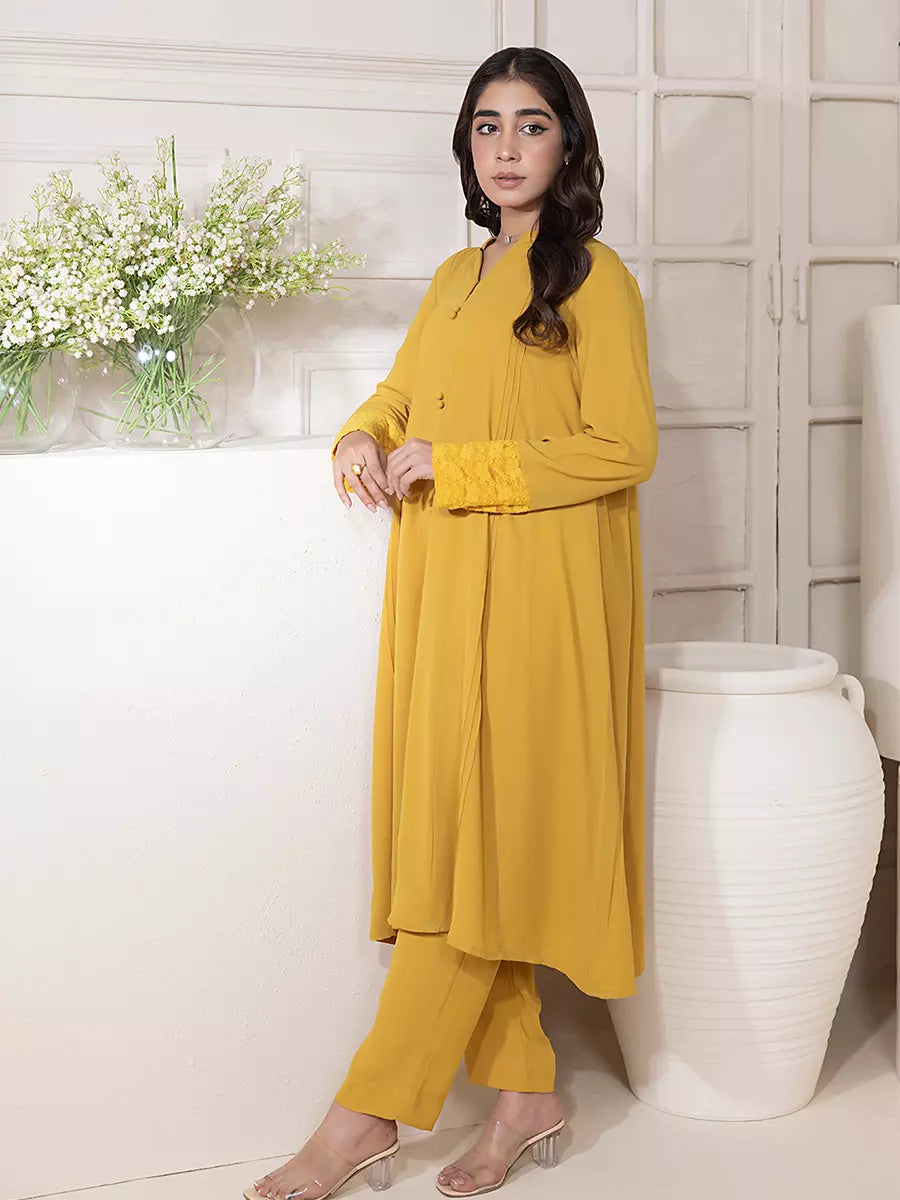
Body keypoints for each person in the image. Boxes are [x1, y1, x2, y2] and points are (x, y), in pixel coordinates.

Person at [246, 43, 658, 1200]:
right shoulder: (453, 278)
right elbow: (404, 389)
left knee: (478, 845)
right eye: (488, 126)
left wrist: (461, 464)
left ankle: (363, 1119)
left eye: (532, 125)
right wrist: (362, 433)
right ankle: (526, 1093)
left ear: (568, 145)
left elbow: (626, 446)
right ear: (467, 147)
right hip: (442, 593)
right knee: (472, 845)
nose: (508, 148)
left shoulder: (593, 279)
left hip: (537, 603)